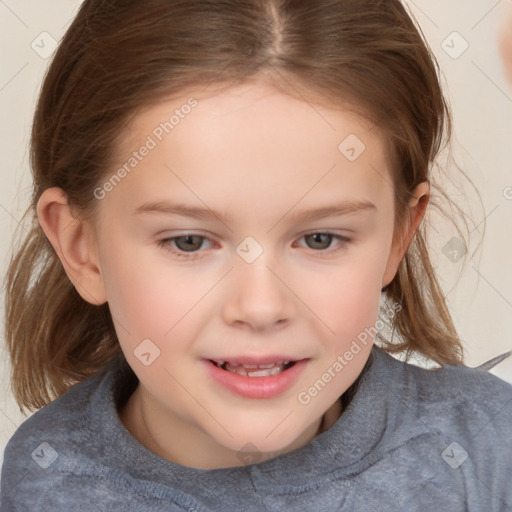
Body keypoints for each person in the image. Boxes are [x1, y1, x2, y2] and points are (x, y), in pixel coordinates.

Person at [1, 1, 511, 510]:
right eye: (189, 242)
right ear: (81, 248)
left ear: (399, 234)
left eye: (320, 239)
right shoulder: (45, 484)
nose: (261, 306)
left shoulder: (488, 451)